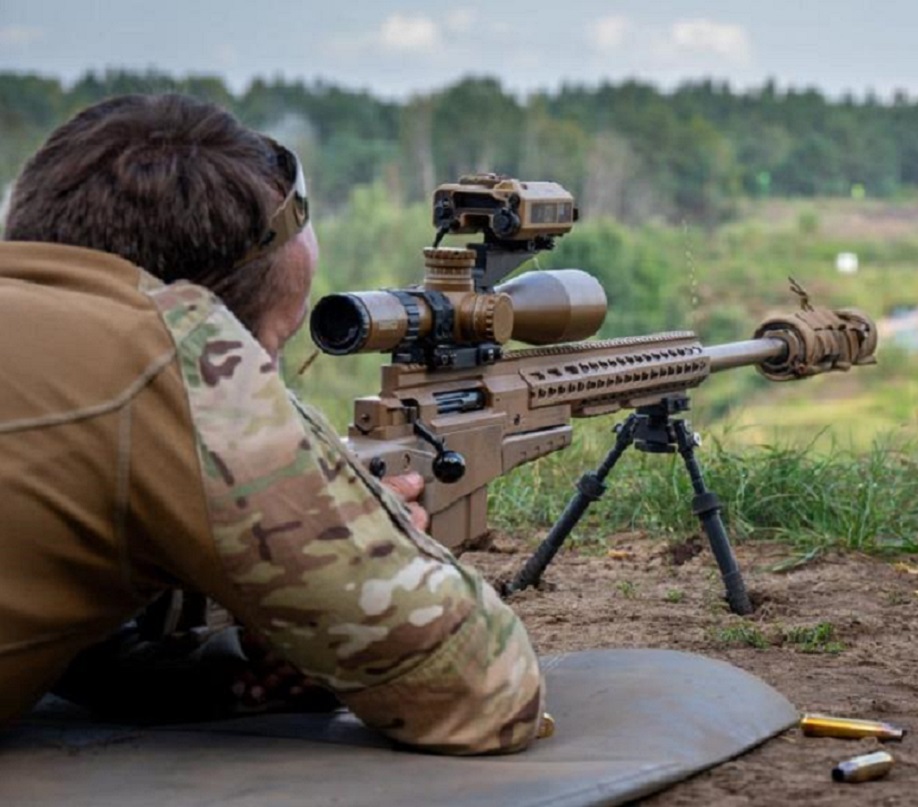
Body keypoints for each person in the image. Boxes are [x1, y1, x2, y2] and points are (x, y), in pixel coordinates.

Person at [0, 94, 544, 754]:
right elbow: (480, 687)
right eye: (276, 351)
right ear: (207, 326)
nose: (273, 381)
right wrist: (362, 527)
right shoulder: (176, 352)